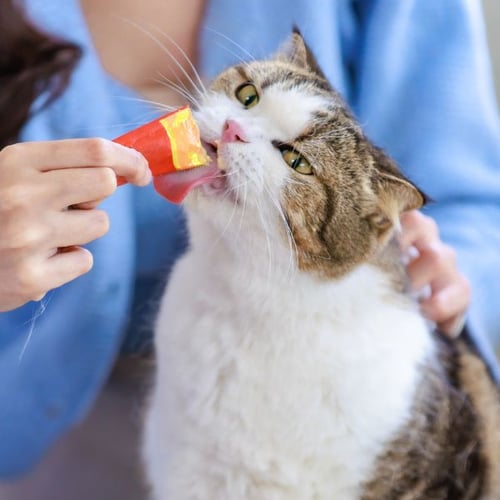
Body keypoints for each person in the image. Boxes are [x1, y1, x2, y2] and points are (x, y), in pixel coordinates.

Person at [0, 0, 498, 498]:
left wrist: (446, 279)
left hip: (334, 386)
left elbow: (471, 205)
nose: (238, 129)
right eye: (246, 95)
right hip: (38, 445)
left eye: (295, 159)